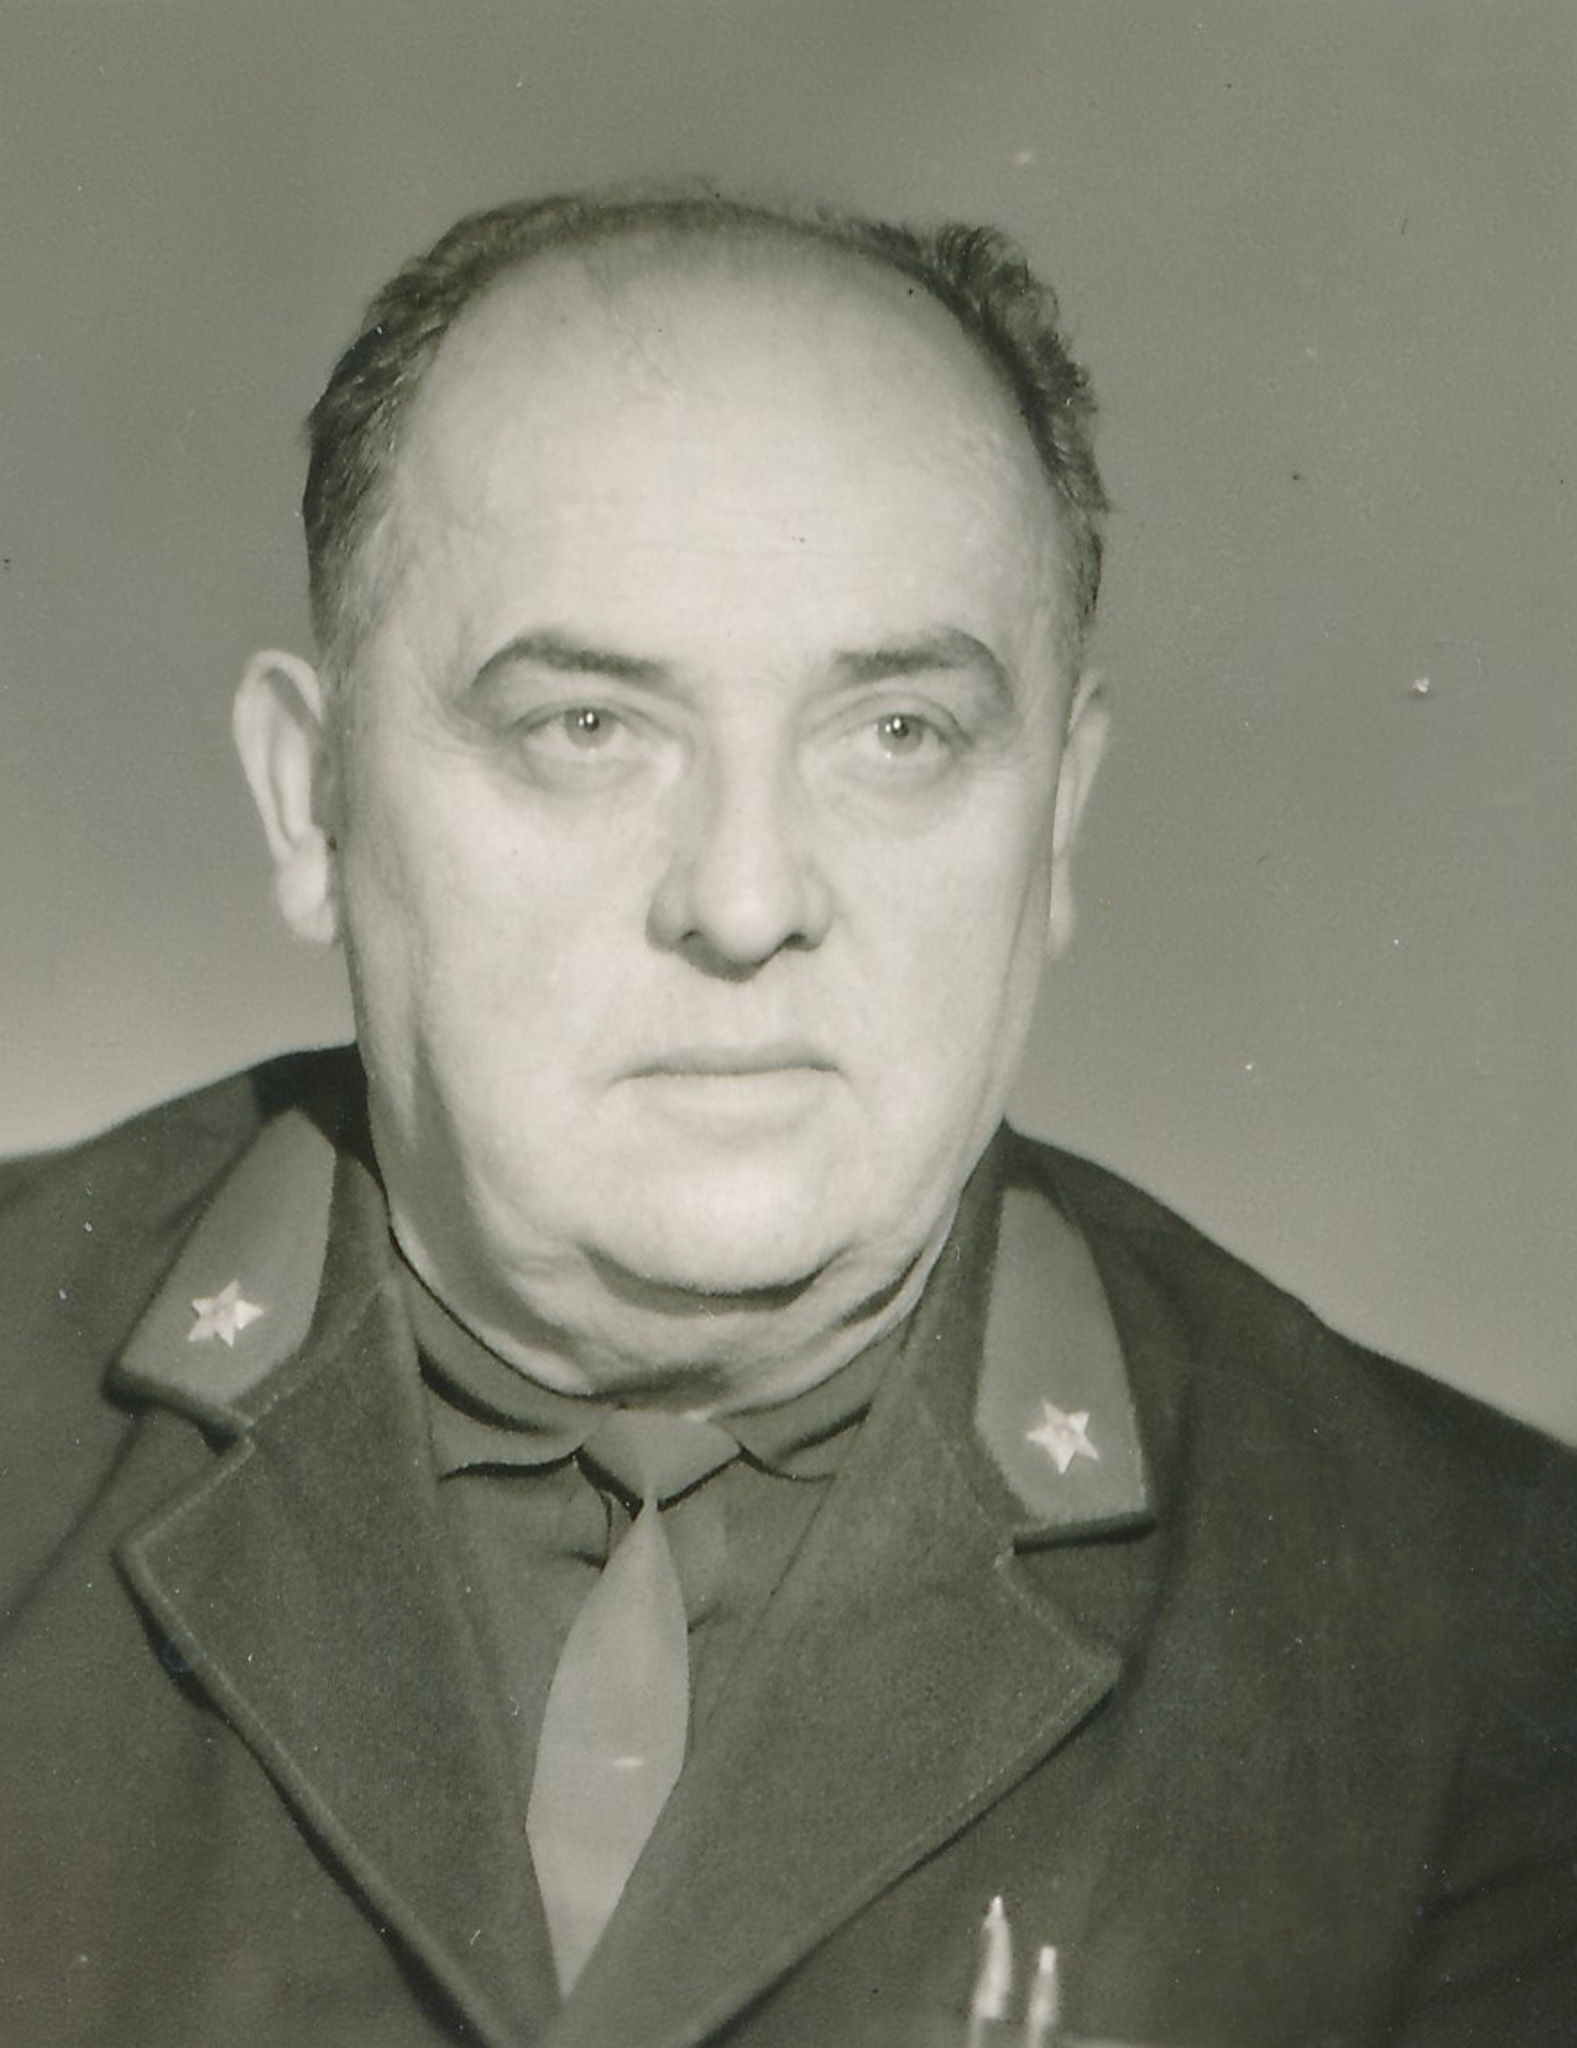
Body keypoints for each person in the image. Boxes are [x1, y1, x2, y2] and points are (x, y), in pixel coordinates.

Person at [2, 189, 1574, 2048]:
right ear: (310, 799)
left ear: (1057, 819)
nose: (743, 903)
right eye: (587, 727)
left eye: (897, 732)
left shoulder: (1493, 1639)